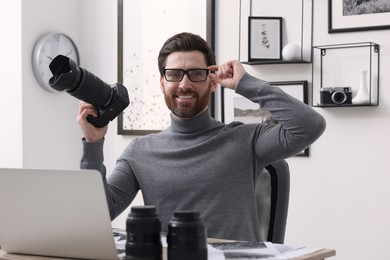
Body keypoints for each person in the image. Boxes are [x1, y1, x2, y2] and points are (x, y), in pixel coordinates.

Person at [77, 32, 326, 242]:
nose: (184, 84)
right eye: (174, 74)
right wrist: (93, 144)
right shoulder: (139, 152)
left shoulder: (246, 140)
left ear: (213, 82)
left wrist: (245, 83)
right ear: (162, 82)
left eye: (196, 74)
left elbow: (310, 125)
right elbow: (96, 215)